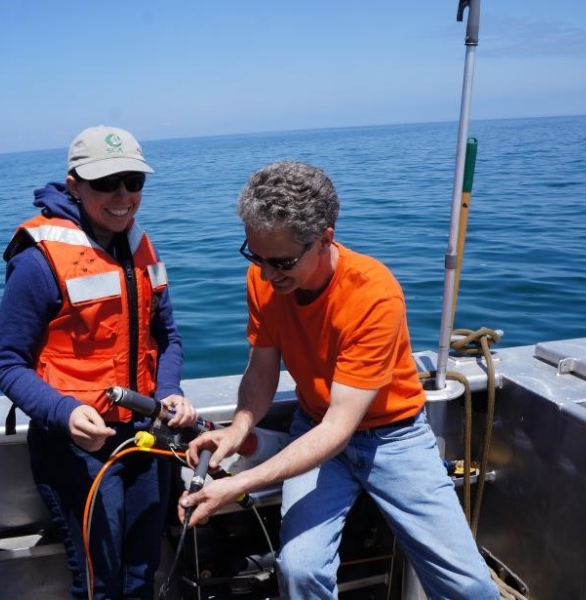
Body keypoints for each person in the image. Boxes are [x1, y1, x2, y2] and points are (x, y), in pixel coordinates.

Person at [181, 161, 499, 599]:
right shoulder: (264, 279)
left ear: (325, 237)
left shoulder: (372, 294)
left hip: (393, 438)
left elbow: (338, 429)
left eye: (282, 262)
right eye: (256, 257)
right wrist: (238, 428)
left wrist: (237, 484)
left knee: (469, 584)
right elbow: (262, 367)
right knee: (299, 570)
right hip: (314, 427)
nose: (268, 276)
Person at [0, 125, 197, 599]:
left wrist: (169, 393)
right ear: (73, 185)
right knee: (99, 585)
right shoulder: (38, 258)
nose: (122, 195)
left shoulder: (143, 245)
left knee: (142, 575)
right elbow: (7, 363)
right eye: (106, 183)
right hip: (77, 448)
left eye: (133, 181)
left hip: (146, 439)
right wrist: (64, 414)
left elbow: (167, 337)